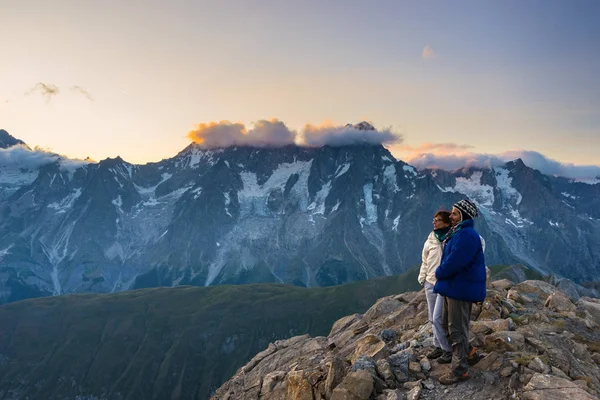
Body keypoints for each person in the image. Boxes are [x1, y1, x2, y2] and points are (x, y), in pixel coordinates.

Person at [434, 199, 486, 385]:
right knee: (450, 327)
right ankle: (469, 353)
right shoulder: (460, 233)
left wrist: (439, 272)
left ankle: (459, 371)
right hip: (455, 287)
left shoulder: (466, 235)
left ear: (464, 215)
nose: (451, 216)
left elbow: (455, 261)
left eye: (455, 213)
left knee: (456, 329)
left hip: (459, 289)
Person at [418, 211, 453, 363]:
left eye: (438, 220)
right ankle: (437, 345)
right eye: (434, 220)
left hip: (443, 283)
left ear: (447, 223)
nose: (434, 223)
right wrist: (423, 278)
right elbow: (425, 261)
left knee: (438, 318)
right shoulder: (430, 241)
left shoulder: (452, 239)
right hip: (430, 282)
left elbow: (479, 242)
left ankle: (447, 349)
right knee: (432, 318)